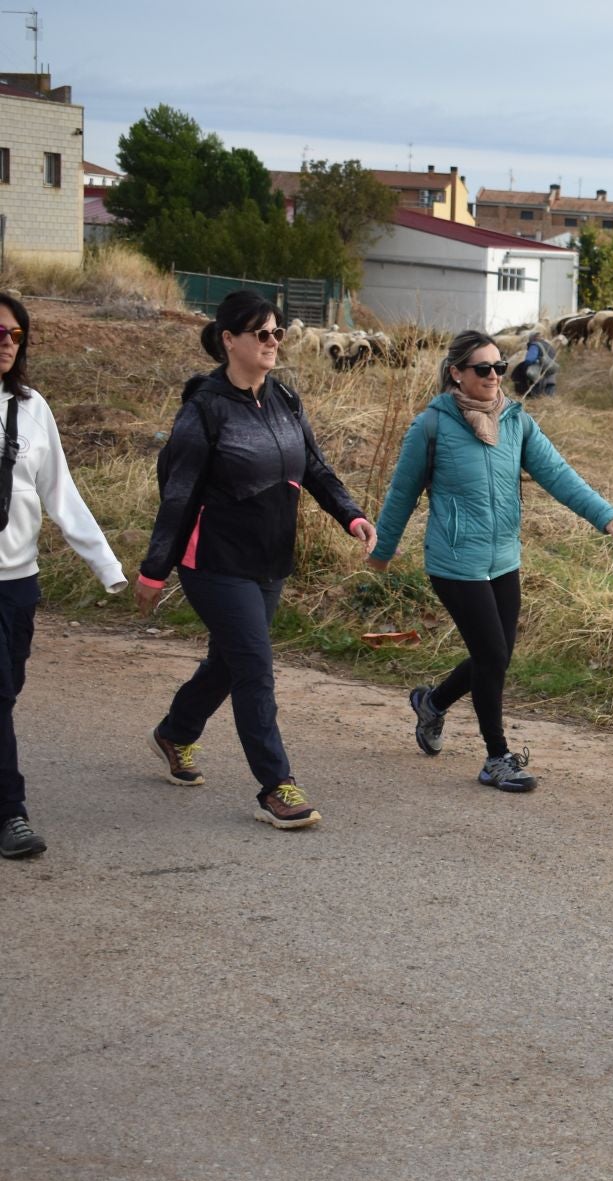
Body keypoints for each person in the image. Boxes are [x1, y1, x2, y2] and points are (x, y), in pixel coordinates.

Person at [137, 291, 374, 830]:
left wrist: (351, 516)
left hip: (270, 560)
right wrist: (155, 569)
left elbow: (315, 468)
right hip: (214, 562)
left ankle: (175, 732)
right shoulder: (205, 410)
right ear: (229, 340)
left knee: (232, 661)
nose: (273, 342)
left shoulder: (285, 399)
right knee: (255, 669)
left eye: (277, 333)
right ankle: (276, 786)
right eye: (261, 333)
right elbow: (177, 495)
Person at [368, 330, 613, 793]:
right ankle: (496, 757)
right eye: (482, 369)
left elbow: (558, 474)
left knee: (498, 654)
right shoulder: (430, 425)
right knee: (491, 655)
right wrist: (382, 549)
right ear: (456, 373)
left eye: (499, 368)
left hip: (503, 557)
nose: (493, 376)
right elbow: (401, 492)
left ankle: (433, 702)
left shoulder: (515, 421)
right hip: (454, 560)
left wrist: (604, 515)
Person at [0, 291, 128, 858]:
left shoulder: (31, 408)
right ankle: (12, 814)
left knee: (8, 693)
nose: (7, 342)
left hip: (18, 584)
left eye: (15, 335)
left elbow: (60, 494)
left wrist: (105, 565)